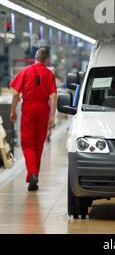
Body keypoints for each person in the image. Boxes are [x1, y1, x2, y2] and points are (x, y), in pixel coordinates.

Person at [9, 48, 57, 191]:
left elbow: (16, 94)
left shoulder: (25, 71)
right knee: (38, 144)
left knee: (27, 143)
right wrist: (52, 116)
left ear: (35, 57)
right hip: (43, 109)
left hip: (29, 108)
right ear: (47, 60)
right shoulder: (49, 74)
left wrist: (12, 110)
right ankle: (32, 177)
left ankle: (33, 173)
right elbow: (54, 96)